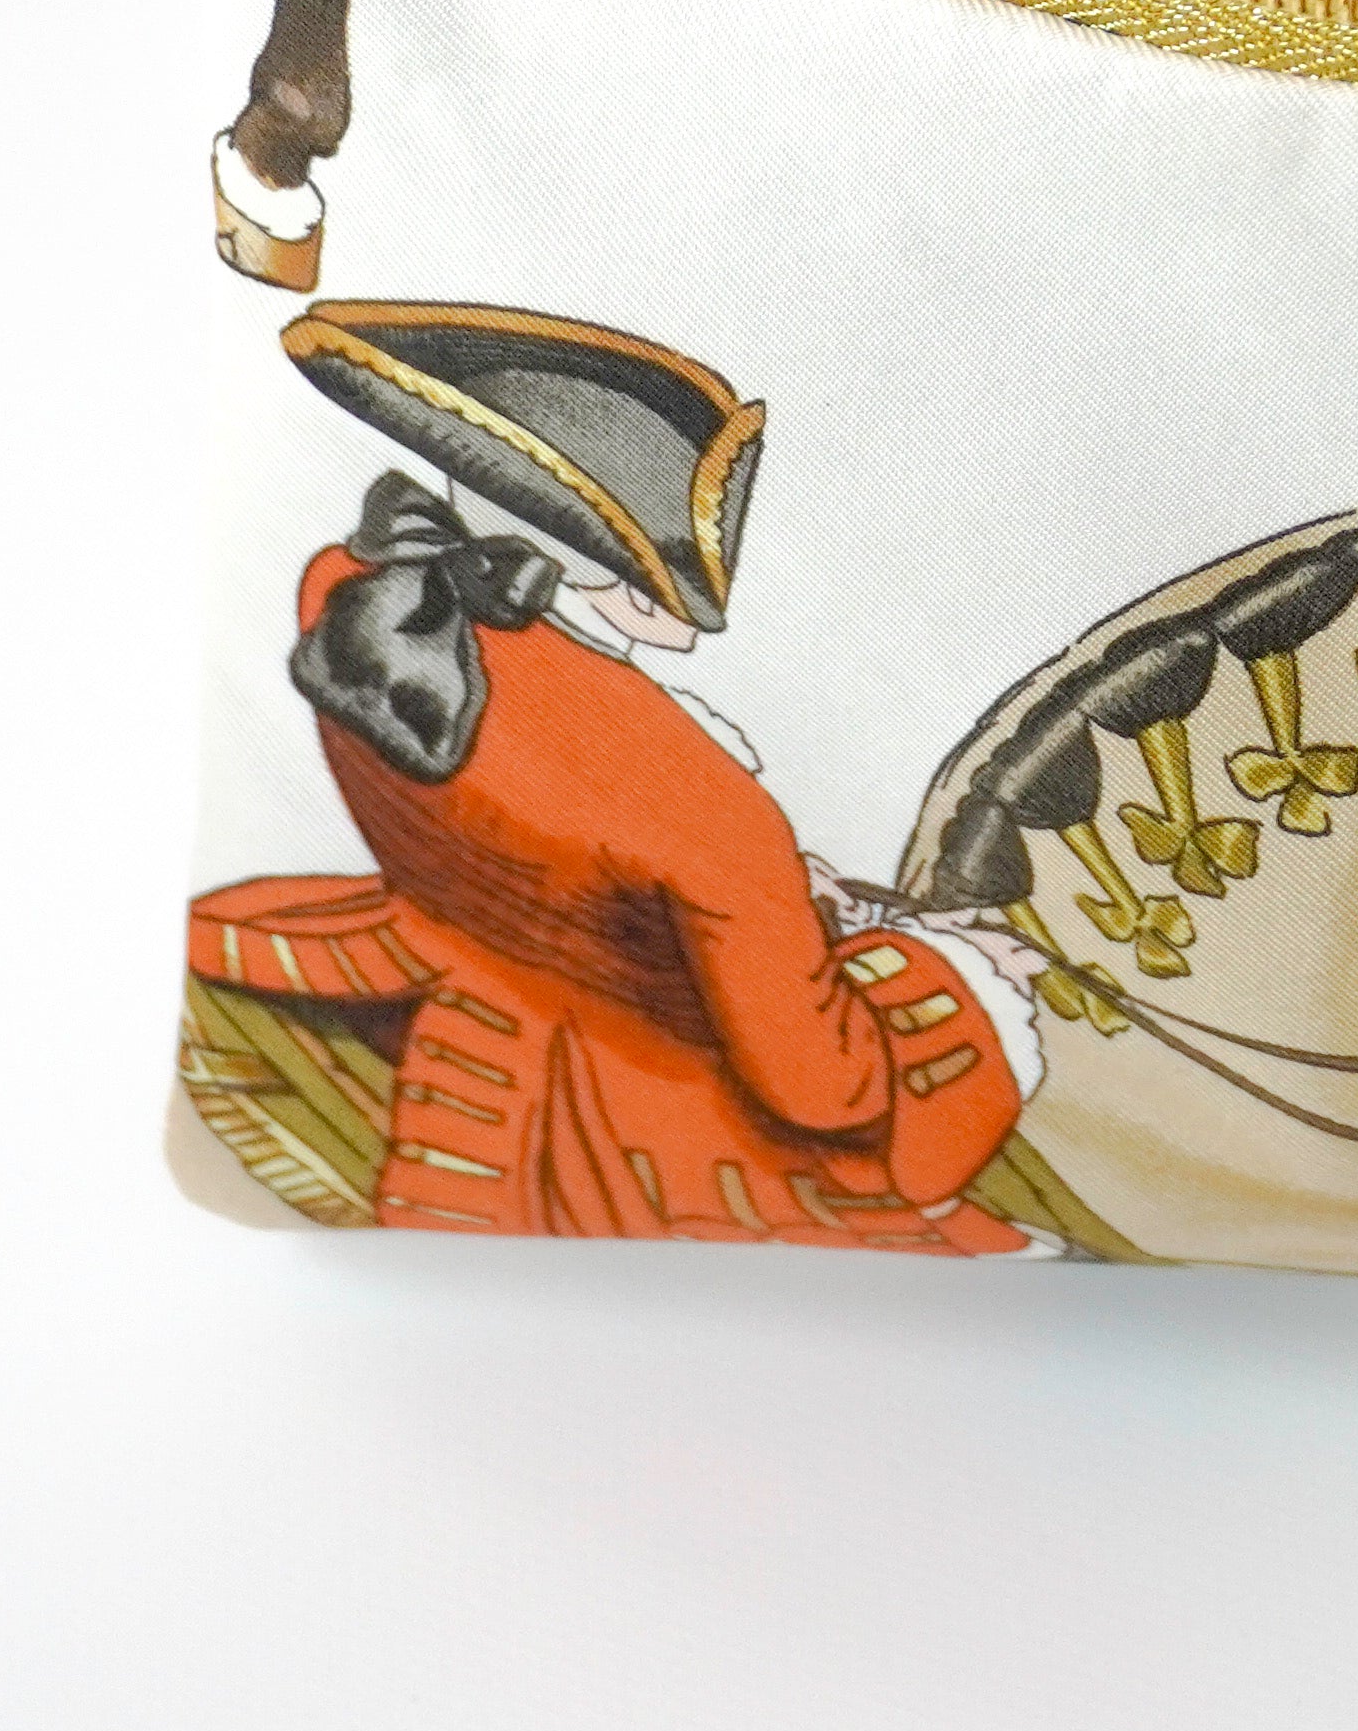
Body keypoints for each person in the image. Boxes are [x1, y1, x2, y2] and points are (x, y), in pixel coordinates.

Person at [193, 302, 1044, 1252]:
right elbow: (826, 1088)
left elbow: (566, 841)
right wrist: (955, 976)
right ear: (633, 590)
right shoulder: (708, 809)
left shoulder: (349, 592)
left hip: (448, 959)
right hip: (621, 1105)